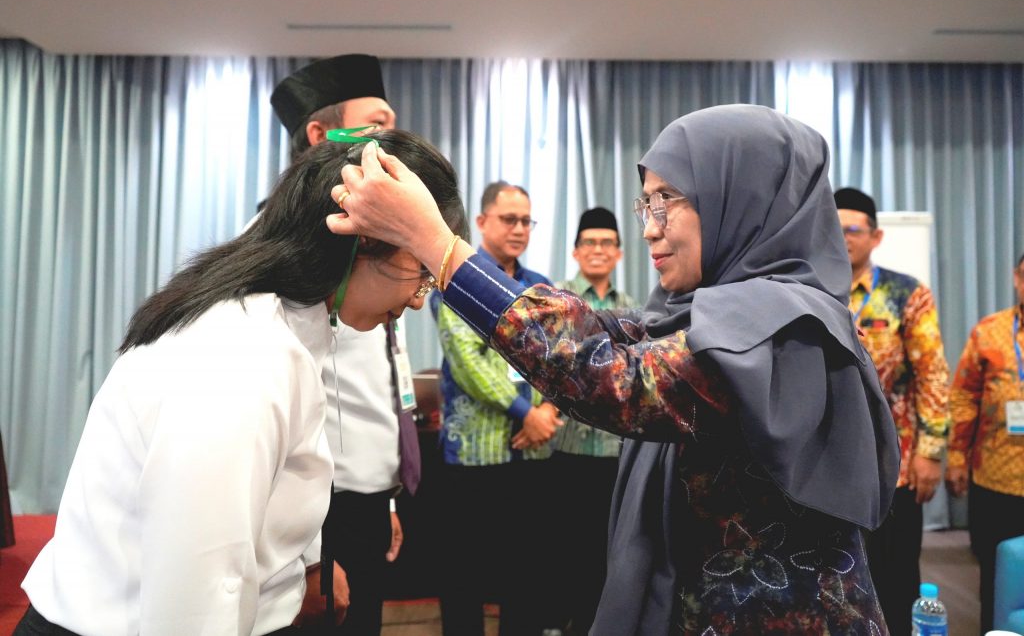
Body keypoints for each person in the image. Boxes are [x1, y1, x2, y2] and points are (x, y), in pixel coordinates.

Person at [329, 104, 900, 635]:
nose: (649, 227)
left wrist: (436, 245)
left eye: (667, 200)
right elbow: (601, 332)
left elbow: (607, 377)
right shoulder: (711, 311)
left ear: (741, 199)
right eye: (645, 203)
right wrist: (445, 251)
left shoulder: (780, 327)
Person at [15, 130, 467, 636]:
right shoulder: (242, 357)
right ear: (363, 238)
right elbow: (195, 592)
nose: (418, 299)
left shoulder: (282, 322)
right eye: (421, 272)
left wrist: (310, 561)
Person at [270, 54, 415, 635]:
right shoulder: (286, 246)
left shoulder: (374, 238)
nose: (393, 139)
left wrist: (387, 498)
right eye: (378, 123)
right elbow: (288, 413)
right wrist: (306, 556)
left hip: (368, 493)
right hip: (319, 508)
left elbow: (377, 378)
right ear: (321, 135)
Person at [427, 181, 562, 635]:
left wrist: (545, 415)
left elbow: (557, 358)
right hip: (475, 456)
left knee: (527, 579)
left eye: (526, 220)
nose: (519, 228)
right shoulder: (457, 280)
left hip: (533, 454)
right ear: (482, 222)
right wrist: (528, 413)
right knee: (464, 578)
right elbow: (469, 363)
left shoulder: (539, 286)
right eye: (509, 219)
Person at [833, 187, 950, 636]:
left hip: (894, 464)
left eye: (853, 229)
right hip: (830, 466)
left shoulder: (906, 294)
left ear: (875, 236)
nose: (843, 238)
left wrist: (930, 451)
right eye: (835, 228)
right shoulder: (811, 289)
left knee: (896, 575)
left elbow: (933, 374)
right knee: (835, 579)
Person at [549, 207, 637, 635]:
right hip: (566, 452)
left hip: (614, 455)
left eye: (606, 243)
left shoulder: (632, 309)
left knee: (610, 556)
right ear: (575, 251)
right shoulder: (559, 300)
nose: (598, 250)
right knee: (565, 553)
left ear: (619, 253)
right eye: (590, 242)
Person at [946, 252, 1024, 633]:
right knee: (997, 573)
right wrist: (956, 457)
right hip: (995, 477)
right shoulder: (989, 332)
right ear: (1016, 279)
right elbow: (963, 398)